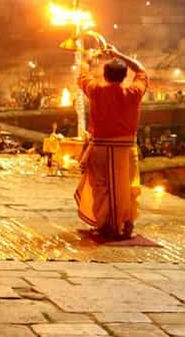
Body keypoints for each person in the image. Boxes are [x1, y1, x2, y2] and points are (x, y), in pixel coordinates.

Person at [75, 45, 148, 240]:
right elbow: (141, 70)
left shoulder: (95, 89)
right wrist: (119, 53)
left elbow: (81, 74)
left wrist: (89, 57)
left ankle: (105, 225)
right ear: (125, 76)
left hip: (100, 147)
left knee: (101, 187)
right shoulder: (134, 92)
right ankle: (125, 223)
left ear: (105, 75)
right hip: (125, 150)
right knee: (127, 187)